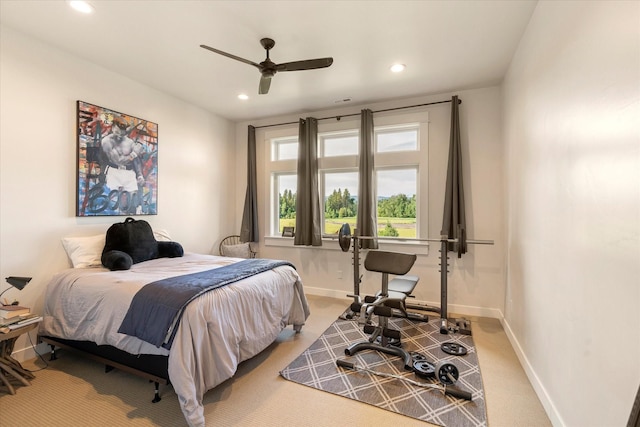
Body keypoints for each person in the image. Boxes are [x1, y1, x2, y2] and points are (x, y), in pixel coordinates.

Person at [100, 116, 146, 212]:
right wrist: (134, 153)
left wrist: (140, 175)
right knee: (113, 203)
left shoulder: (129, 142)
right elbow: (118, 160)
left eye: (121, 133)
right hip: (114, 171)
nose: (118, 136)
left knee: (132, 203)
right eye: (117, 132)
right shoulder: (106, 141)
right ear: (112, 127)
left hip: (129, 173)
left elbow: (136, 160)